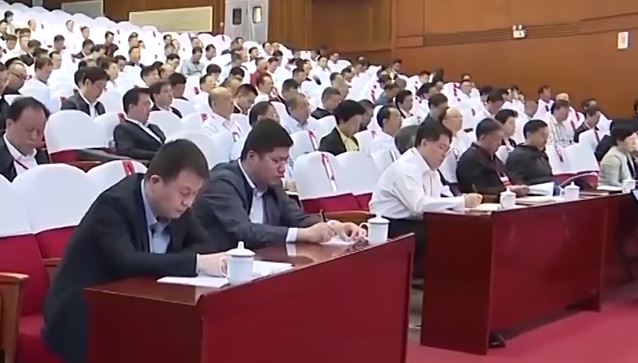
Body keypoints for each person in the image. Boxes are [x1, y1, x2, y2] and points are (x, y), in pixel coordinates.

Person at [41, 140, 231, 363]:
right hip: (83, 314)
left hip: (137, 308)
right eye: (184, 193)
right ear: (155, 182)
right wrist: (195, 263)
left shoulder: (176, 207)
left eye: (194, 194)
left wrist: (171, 262)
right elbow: (126, 262)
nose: (189, 202)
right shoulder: (114, 205)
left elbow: (205, 244)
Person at [195, 121, 363, 252]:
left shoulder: (272, 183)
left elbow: (298, 219)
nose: (283, 169)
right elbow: (244, 231)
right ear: (252, 157)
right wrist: (303, 234)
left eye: (285, 161)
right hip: (217, 267)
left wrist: (334, 226)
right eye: (276, 161)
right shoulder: (221, 182)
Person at [368, 120, 482, 277]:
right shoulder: (406, 167)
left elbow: (441, 199)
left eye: (447, 150)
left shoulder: (432, 170)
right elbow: (419, 205)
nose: (444, 154)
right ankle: (428, 280)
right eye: (441, 147)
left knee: (461, 227)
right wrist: (461, 201)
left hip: (416, 221)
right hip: (390, 224)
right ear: (424, 143)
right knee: (441, 234)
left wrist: (466, 207)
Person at [0, 96, 51, 180]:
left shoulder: (43, 156)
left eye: (39, 132)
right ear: (9, 124)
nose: (34, 137)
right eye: (29, 130)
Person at [455, 118, 526, 196]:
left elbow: (508, 176)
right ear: (482, 137)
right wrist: (508, 190)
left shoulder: (494, 158)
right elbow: (479, 190)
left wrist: (519, 186)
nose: (499, 143)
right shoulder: (470, 159)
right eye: (496, 139)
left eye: (501, 139)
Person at [112, 86, 166, 161]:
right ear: (132, 107)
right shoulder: (123, 128)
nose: (149, 108)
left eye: (149, 105)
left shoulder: (153, 127)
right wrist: (159, 155)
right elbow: (127, 151)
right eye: (145, 104)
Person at [504, 119, 555, 185]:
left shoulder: (542, 154)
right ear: (529, 135)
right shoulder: (517, 156)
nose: (546, 139)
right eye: (542, 135)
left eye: (547, 135)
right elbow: (517, 182)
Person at [599, 123, 637, 188]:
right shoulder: (612, 158)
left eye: (635, 139)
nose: (634, 143)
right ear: (619, 141)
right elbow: (613, 185)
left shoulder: (628, 153)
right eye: (631, 140)